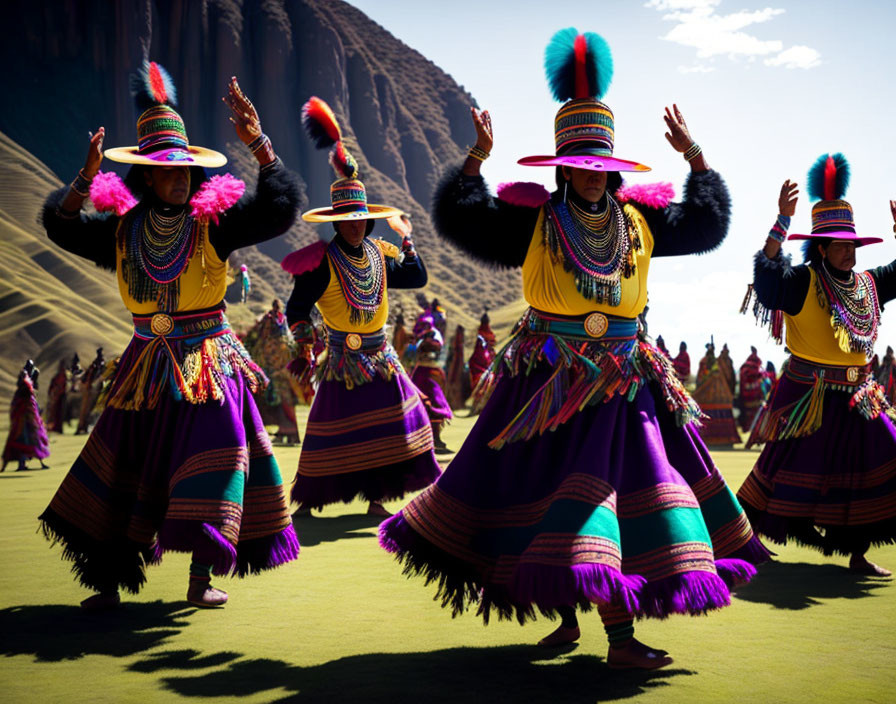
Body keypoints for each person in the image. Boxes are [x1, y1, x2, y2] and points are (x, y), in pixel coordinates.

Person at [380, 28, 767, 670]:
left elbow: (706, 225)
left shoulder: (639, 222)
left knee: (604, 499)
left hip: (624, 380)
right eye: (582, 166)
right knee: (549, 497)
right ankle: (570, 620)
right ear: (565, 166)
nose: (592, 176)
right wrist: (476, 158)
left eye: (602, 167)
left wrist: (695, 156)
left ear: (615, 171)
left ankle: (617, 637)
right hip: (547, 379)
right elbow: (465, 217)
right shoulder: (535, 221)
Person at [38, 61, 301, 609]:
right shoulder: (122, 230)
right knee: (123, 462)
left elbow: (277, 211)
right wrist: (84, 179)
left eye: (185, 169)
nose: (180, 177)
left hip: (208, 362)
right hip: (145, 366)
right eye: (167, 170)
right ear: (148, 177)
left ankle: (201, 579)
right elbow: (62, 227)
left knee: (218, 456)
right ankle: (107, 581)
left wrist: (260, 146)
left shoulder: (214, 222)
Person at [283, 97, 441, 518]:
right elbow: (295, 310)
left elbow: (417, 277)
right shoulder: (319, 263)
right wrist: (304, 342)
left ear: (368, 219)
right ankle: (309, 502)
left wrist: (406, 240)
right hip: (341, 357)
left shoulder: (381, 254)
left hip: (380, 355)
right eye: (347, 218)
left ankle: (377, 499)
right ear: (336, 221)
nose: (354, 223)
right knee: (327, 429)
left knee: (394, 425)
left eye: (360, 217)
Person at [738, 157, 896, 576]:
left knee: (872, 465)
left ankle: (858, 553)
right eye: (841, 245)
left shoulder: (868, 285)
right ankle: (740, 541)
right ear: (822, 248)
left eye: (852, 245)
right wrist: (780, 224)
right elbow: (768, 284)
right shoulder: (803, 281)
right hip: (808, 395)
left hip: (860, 397)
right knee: (779, 469)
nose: (849, 252)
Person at [243, 299, 307, 444]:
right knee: (281, 402)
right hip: (281, 372)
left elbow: (256, 335)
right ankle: (284, 432)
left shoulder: (273, 323)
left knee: (282, 402)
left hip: (278, 372)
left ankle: (289, 434)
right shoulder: (282, 325)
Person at [410, 311, 453, 454]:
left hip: (423, 376)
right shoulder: (434, 343)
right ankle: (433, 439)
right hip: (428, 376)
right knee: (434, 405)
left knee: (430, 406)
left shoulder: (422, 343)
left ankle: (433, 439)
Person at [2, 360, 50, 472]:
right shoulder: (25, 385)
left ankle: (23, 463)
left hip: (26, 416)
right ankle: (22, 464)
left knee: (29, 438)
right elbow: (27, 400)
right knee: (29, 438)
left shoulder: (25, 385)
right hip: (26, 418)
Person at [693, 341, 741, 446]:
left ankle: (723, 440)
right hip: (709, 393)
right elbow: (701, 377)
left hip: (719, 392)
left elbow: (728, 376)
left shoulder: (717, 362)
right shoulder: (707, 362)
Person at [75, 347, 106, 435]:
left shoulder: (95, 366)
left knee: (87, 410)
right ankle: (82, 427)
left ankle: (84, 427)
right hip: (90, 390)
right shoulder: (96, 366)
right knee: (86, 410)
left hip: (90, 390)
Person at [737, 346, 764, 432]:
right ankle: (751, 428)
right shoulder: (752, 368)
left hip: (746, 394)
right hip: (751, 394)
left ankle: (748, 428)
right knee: (751, 412)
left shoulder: (745, 367)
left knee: (747, 411)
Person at [444, 324, 470, 411]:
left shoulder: (458, 346)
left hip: (455, 365)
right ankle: (453, 403)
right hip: (455, 364)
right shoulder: (458, 346)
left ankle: (453, 403)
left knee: (454, 382)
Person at [45, 359, 68, 433]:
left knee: (59, 413)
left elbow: (65, 386)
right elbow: (52, 386)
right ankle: (52, 426)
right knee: (53, 412)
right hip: (56, 396)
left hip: (61, 396)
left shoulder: (64, 376)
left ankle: (57, 428)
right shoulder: (57, 376)